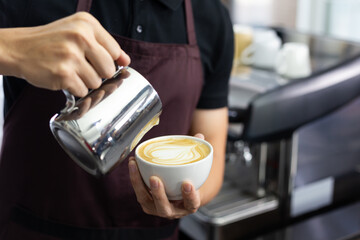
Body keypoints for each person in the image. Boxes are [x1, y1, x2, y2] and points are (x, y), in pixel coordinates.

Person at [0, 0, 234, 239]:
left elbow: (212, 142)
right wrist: (13, 49)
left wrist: (189, 197)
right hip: (32, 228)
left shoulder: (212, 18)